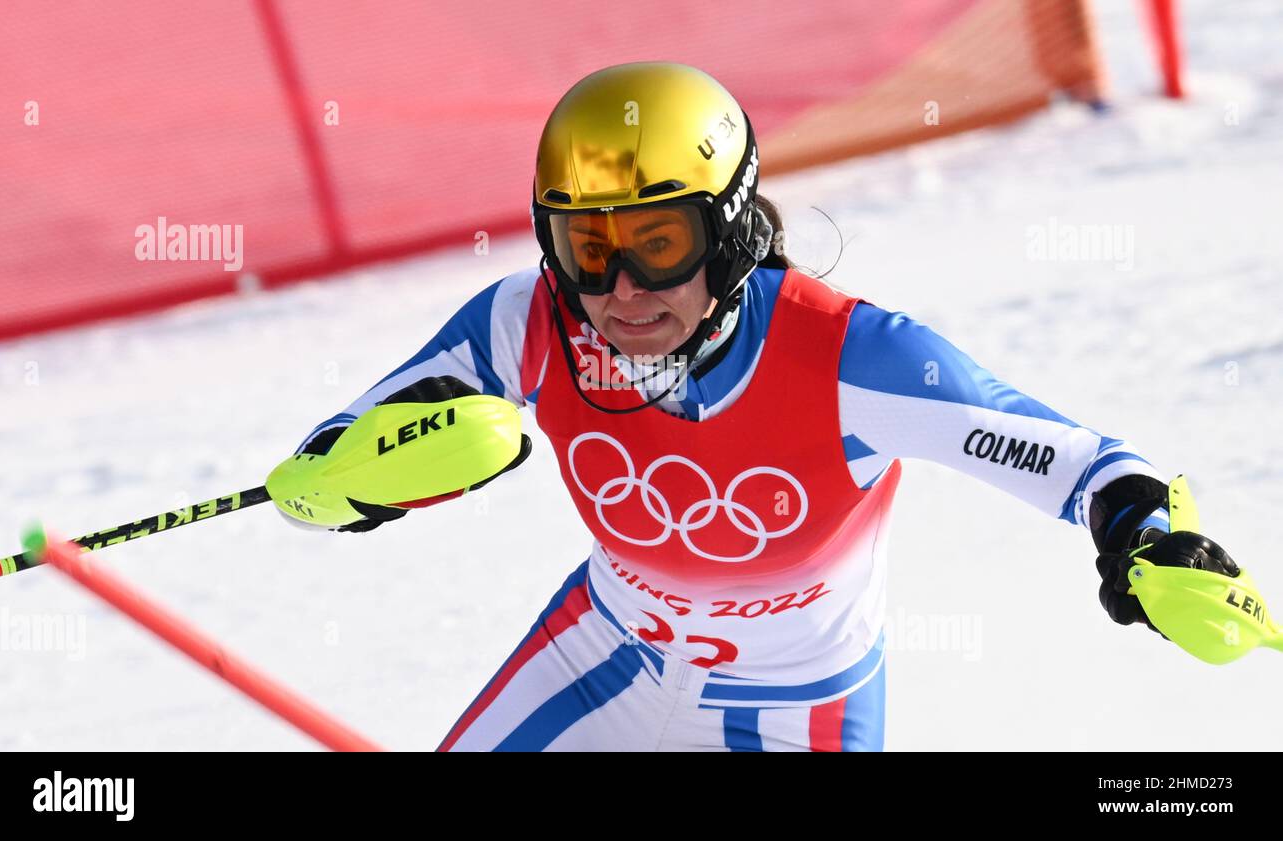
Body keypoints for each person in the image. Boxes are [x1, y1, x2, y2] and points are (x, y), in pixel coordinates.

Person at [278, 62, 1239, 751]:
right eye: (585, 246)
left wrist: (1148, 539)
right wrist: (360, 480)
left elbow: (1087, 466)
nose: (620, 288)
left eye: (658, 241)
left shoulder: (854, 358)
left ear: (731, 229)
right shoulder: (525, 323)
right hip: (598, 655)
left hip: (797, 709)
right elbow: (316, 473)